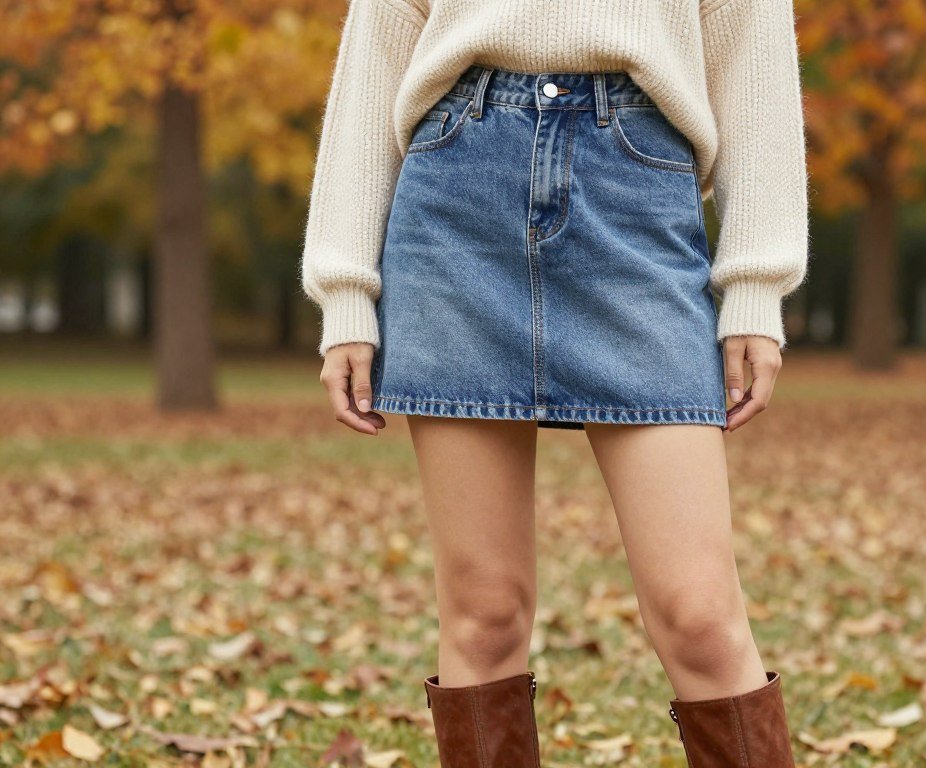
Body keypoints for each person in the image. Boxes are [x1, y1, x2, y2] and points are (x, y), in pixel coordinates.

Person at [301, 0, 809, 765]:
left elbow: (752, 54)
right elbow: (379, 43)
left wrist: (756, 283)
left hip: (638, 198)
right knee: (484, 616)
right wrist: (345, 289)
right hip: (457, 194)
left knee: (700, 616)